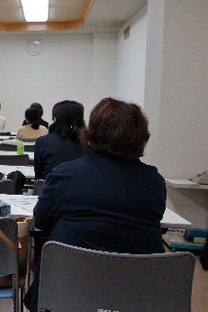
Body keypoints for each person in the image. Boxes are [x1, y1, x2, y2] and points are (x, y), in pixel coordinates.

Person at [24, 98, 166, 311]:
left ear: (92, 131)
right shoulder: (154, 181)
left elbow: (42, 221)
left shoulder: (66, 175)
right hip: (136, 294)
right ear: (141, 137)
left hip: (66, 289)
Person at [34, 100, 87, 180]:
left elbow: (38, 179)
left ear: (55, 119)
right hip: (82, 190)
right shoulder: (89, 144)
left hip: (51, 190)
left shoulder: (42, 142)